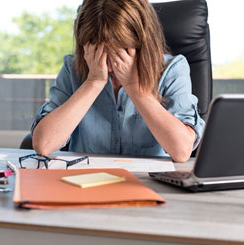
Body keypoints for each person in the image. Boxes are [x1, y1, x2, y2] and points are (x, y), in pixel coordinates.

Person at [31, 0, 205, 162]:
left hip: (145, 182)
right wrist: (93, 82)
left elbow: (181, 151)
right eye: (99, 51)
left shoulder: (171, 69)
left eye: (120, 51)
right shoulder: (72, 68)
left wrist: (135, 89)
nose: (110, 64)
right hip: (85, 181)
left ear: (142, 44)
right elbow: (43, 145)